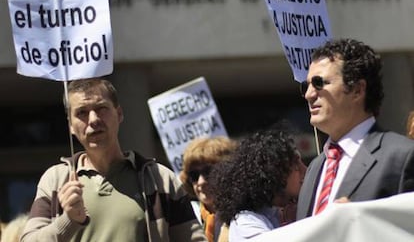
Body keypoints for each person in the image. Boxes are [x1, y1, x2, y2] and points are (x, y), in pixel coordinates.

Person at [20, 78, 207, 242]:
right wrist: (68, 220)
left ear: (119, 114)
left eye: (101, 108)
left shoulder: (160, 179)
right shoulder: (55, 180)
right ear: (70, 125)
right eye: (82, 113)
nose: (93, 119)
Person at [297, 38, 414, 220]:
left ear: (357, 90)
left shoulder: (402, 156)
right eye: (306, 86)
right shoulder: (315, 168)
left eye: (319, 83)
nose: (309, 94)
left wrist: (364, 220)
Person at [209, 124, 307, 242]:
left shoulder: (282, 212)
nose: (305, 170)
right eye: (296, 165)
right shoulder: (245, 223)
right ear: (276, 173)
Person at [180, 136, 238, 242]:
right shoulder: (187, 218)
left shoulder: (244, 215)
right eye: (194, 175)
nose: (201, 182)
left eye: (208, 172)